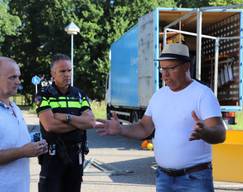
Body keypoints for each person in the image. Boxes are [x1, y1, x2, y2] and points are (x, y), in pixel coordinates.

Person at [96, 43, 226, 192]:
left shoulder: (203, 94)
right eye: (163, 68)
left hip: (194, 179)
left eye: (171, 68)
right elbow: (144, 128)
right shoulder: (159, 95)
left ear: (186, 66)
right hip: (164, 178)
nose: (165, 74)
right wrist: (121, 129)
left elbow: (220, 133)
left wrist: (206, 133)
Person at [36, 53, 96, 192]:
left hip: (76, 155)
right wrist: (78, 123)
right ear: (53, 73)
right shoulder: (43, 95)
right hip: (53, 156)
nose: (67, 74)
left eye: (69, 70)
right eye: (62, 71)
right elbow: (50, 125)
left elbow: (91, 122)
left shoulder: (80, 94)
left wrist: (66, 117)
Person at [0, 56, 48, 192]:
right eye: (12, 77)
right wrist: (23, 152)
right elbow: (20, 150)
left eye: (18, 77)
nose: (18, 82)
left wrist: (36, 144)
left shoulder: (14, 107)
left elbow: (13, 140)